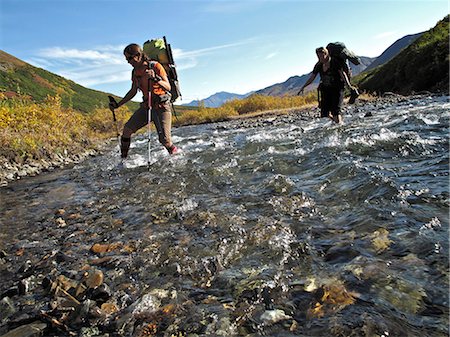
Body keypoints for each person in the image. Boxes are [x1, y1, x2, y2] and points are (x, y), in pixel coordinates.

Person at [109, 43, 178, 158]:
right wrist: (118, 105)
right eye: (126, 59)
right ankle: (123, 160)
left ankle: (176, 156)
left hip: (162, 107)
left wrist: (156, 79)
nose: (128, 61)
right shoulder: (135, 72)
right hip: (146, 107)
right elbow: (133, 91)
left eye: (130, 58)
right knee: (127, 130)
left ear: (138, 55)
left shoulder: (155, 66)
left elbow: (168, 87)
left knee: (165, 141)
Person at [298, 46, 358, 123]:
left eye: (321, 56)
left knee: (336, 111)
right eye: (318, 56)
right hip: (325, 90)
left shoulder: (334, 62)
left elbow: (343, 74)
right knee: (324, 113)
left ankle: (339, 125)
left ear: (326, 54)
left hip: (337, 89)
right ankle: (338, 122)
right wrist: (303, 87)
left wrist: (348, 86)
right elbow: (312, 78)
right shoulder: (318, 65)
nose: (320, 58)